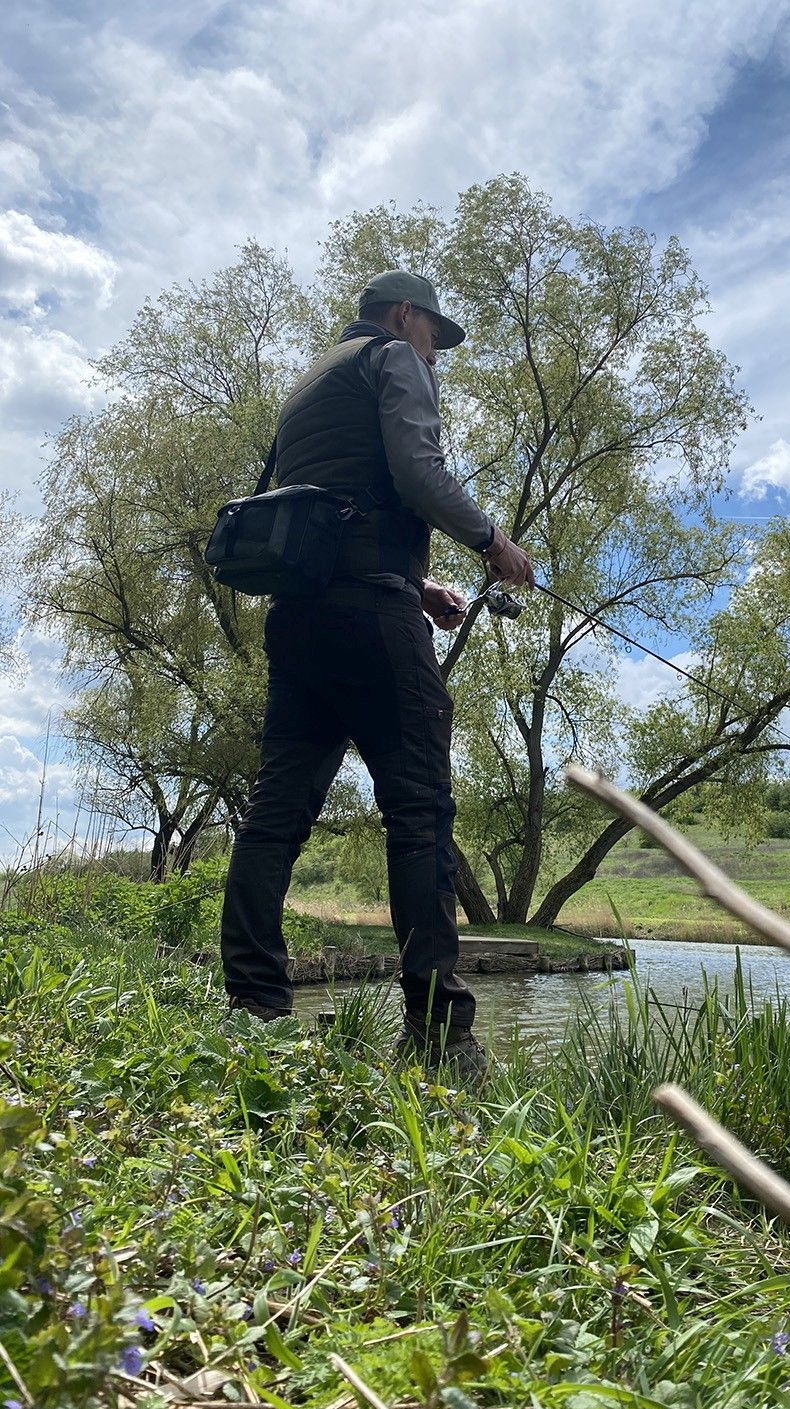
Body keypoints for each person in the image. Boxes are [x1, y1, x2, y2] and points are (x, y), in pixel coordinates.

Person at [220, 269, 533, 1075]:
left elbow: (325, 505)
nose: (437, 355)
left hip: (299, 622)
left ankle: (251, 1006)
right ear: (404, 316)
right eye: (436, 335)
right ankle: (438, 1035)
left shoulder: (310, 383)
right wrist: (492, 543)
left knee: (274, 814)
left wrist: (418, 583)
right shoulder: (395, 360)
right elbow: (418, 476)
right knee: (421, 811)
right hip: (370, 623)